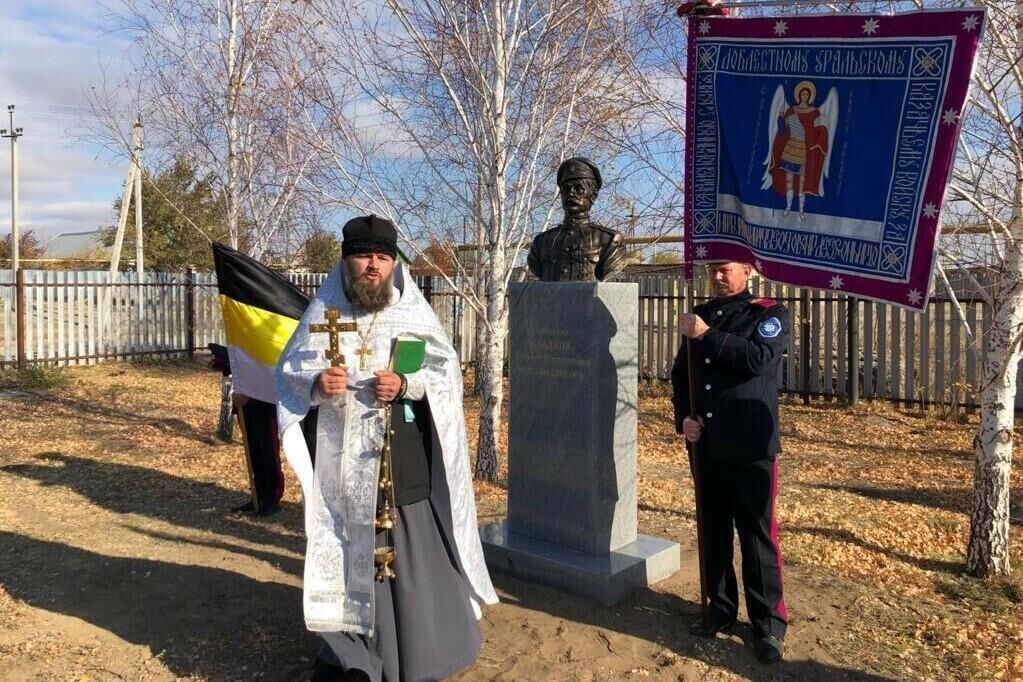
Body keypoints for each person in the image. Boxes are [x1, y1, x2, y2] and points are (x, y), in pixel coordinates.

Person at [275, 215, 498, 682]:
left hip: (401, 460)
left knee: (411, 555)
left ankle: (420, 654)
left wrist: (405, 384)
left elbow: (445, 375)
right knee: (345, 549)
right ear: (345, 261)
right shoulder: (323, 315)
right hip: (341, 467)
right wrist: (317, 384)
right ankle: (352, 656)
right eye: (363, 256)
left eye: (381, 257)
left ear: (394, 263)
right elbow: (287, 376)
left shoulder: (413, 313)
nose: (372, 267)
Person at [670, 260, 789, 665]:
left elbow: (757, 359)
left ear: (748, 272)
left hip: (751, 444)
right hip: (706, 444)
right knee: (713, 530)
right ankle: (720, 608)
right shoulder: (699, 314)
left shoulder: (770, 313)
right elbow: (680, 373)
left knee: (756, 536)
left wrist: (709, 336)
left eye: (727, 269)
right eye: (713, 270)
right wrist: (684, 417)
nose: (718, 276)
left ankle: (768, 624)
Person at [527, 157, 628, 282]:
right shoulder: (541, 243)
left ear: (593, 194)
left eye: (578, 188)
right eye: (566, 189)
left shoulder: (610, 241)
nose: (571, 193)